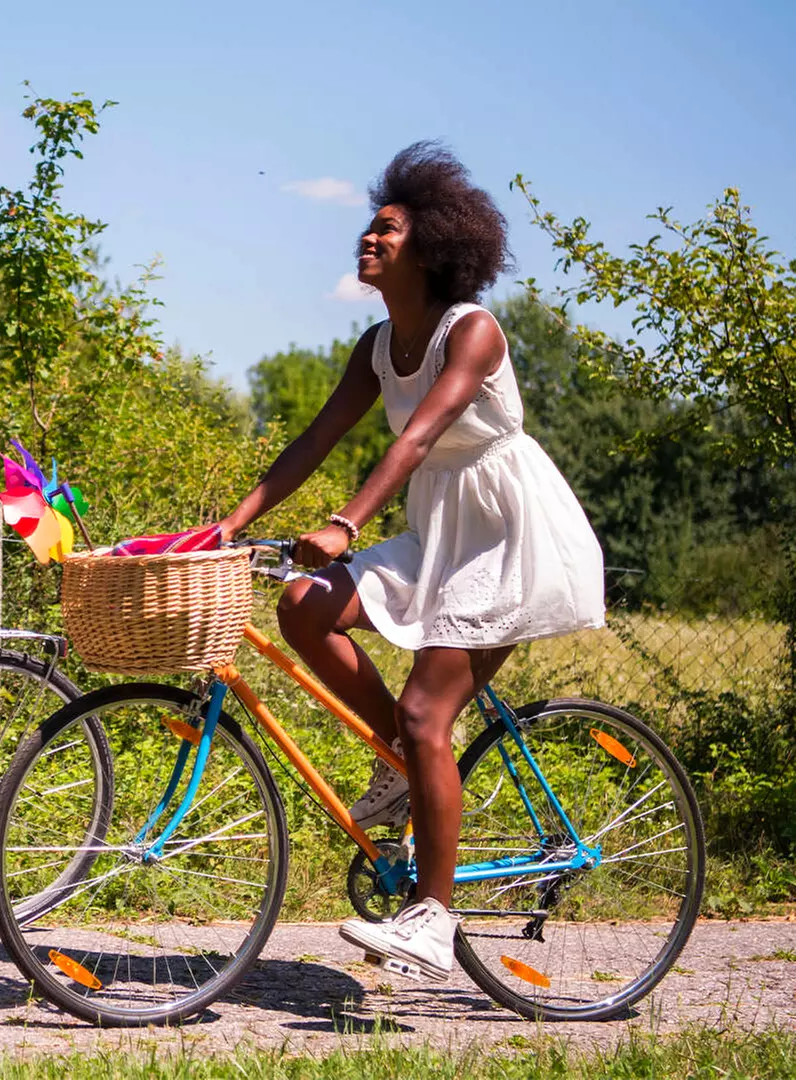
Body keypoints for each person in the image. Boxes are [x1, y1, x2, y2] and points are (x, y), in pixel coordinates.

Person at [216, 142, 605, 981]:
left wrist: (347, 524)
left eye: (387, 229)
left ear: (432, 245)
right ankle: (400, 763)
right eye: (368, 227)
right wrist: (228, 523)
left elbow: (422, 434)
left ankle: (432, 918)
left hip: (509, 536)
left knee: (434, 713)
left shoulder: (473, 331)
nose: (368, 239)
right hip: (441, 532)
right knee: (303, 605)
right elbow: (316, 439)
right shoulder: (375, 344)